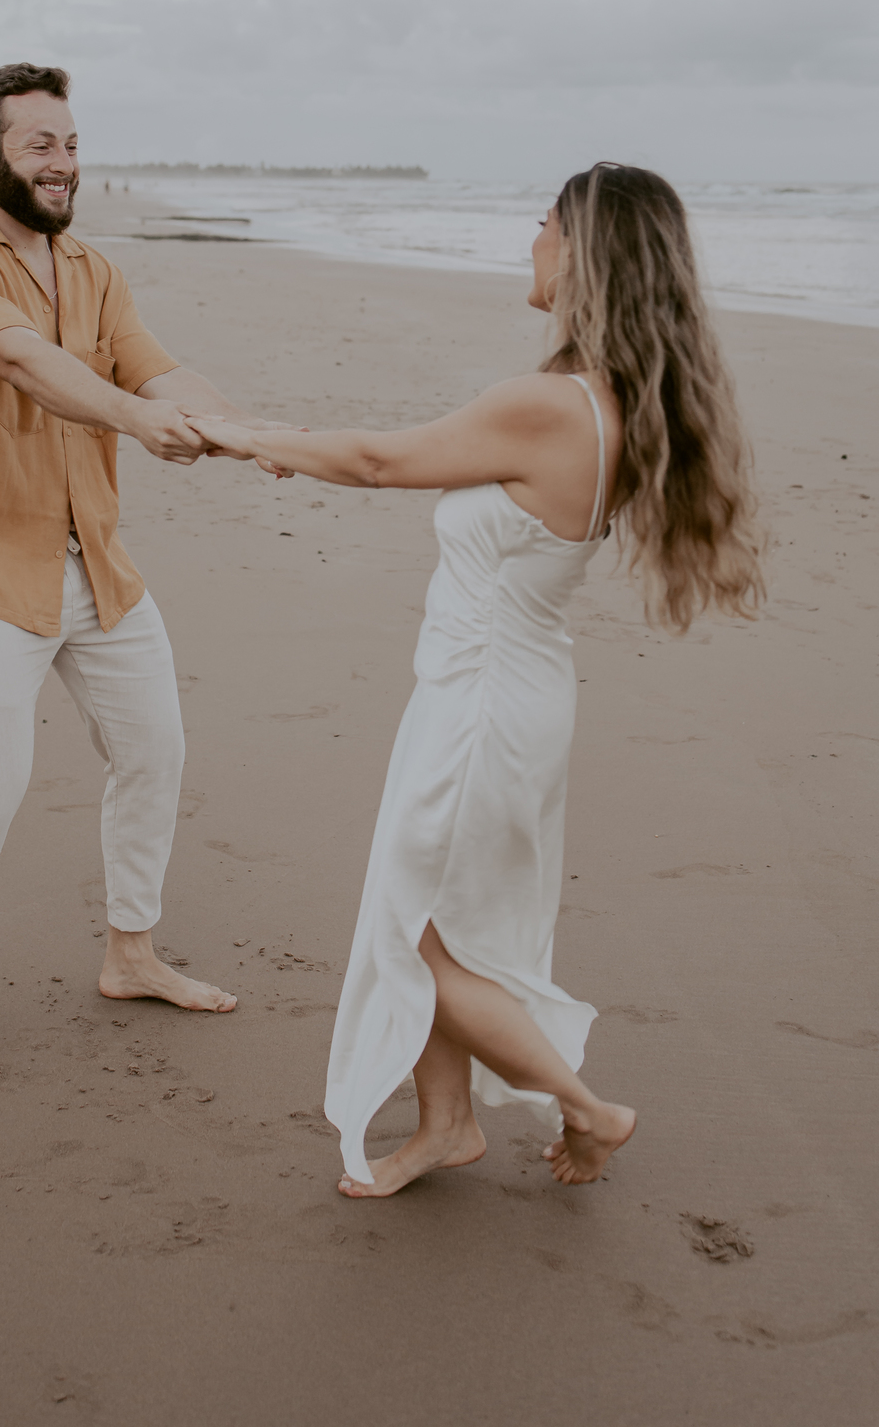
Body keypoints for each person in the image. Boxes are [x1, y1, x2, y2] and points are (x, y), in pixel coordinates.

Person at [188, 163, 764, 1195]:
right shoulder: (610, 405)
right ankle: (446, 1125)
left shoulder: (549, 406)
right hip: (501, 691)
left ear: (583, 254)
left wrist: (249, 439)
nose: (529, 239)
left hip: (483, 706)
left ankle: (590, 1110)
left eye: (543, 223)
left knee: (408, 931)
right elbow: (384, 456)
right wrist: (283, 444)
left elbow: (379, 461)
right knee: (443, 920)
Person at [0, 62, 285, 1091]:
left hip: (96, 565)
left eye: (71, 145)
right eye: (41, 146)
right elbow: (30, 365)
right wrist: (138, 420)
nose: (63, 163)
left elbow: (155, 368)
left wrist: (250, 431)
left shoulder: (94, 270)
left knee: (154, 750)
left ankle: (131, 954)